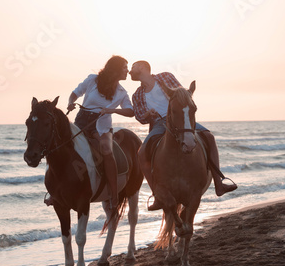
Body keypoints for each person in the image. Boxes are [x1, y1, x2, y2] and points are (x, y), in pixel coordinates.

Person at [129, 60, 237, 211]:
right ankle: (157, 195)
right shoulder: (137, 95)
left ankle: (219, 184)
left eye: (132, 67)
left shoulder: (165, 77)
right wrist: (148, 113)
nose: (129, 71)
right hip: (160, 124)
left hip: (179, 119)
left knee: (209, 137)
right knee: (141, 153)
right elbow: (140, 117)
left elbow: (183, 94)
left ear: (142, 67)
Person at [65, 55, 134, 211]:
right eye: (124, 67)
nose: (127, 71)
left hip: (101, 127)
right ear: (115, 69)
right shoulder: (92, 80)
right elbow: (75, 93)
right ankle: (55, 191)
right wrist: (70, 103)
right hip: (82, 122)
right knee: (64, 147)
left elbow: (131, 111)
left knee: (107, 151)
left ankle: (114, 195)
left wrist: (112, 110)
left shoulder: (122, 92)